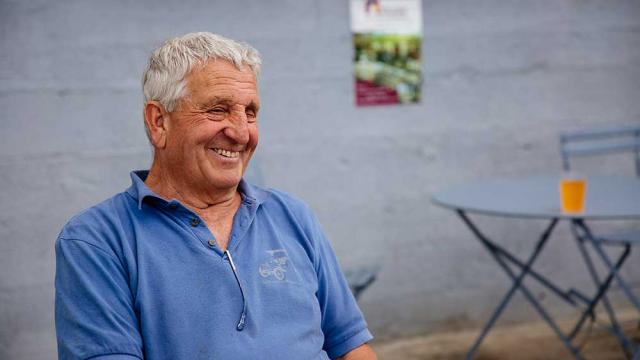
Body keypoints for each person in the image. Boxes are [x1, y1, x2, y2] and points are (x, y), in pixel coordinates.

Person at [54, 32, 377, 360]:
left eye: (250, 112)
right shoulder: (97, 241)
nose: (240, 132)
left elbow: (350, 346)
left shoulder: (292, 215)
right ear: (159, 122)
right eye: (218, 110)